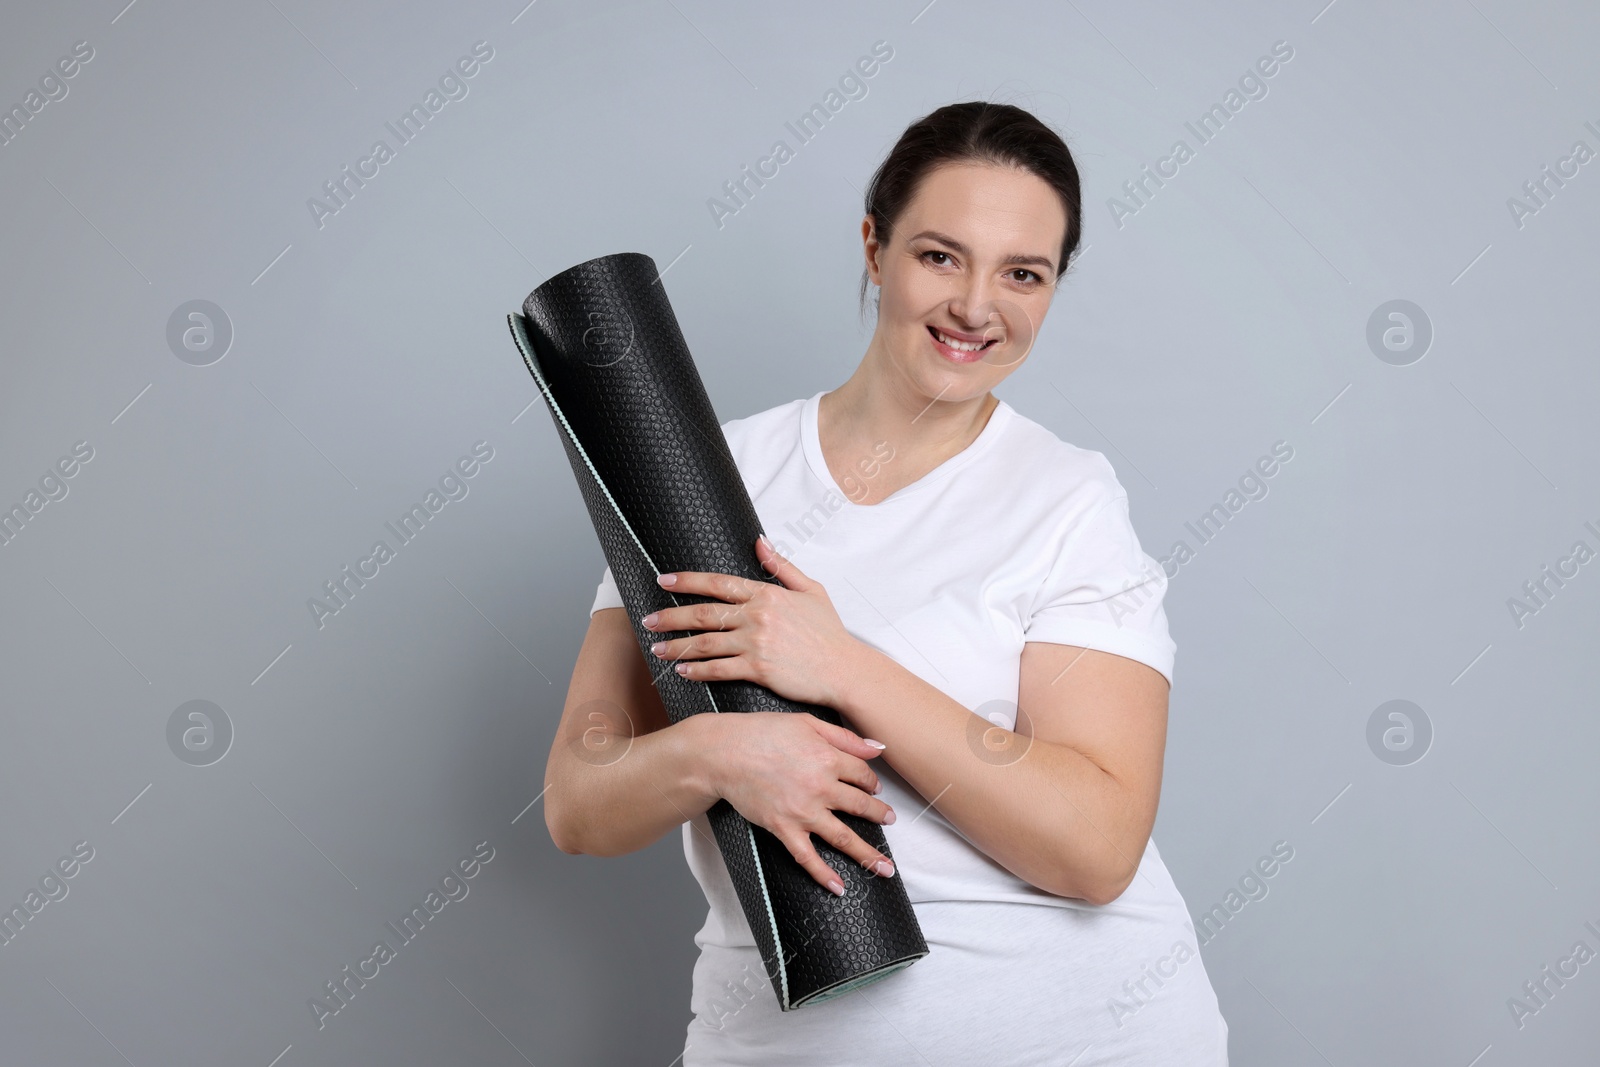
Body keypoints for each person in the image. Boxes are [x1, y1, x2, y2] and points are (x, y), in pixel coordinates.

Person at [544, 100, 1229, 1065]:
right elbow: (580, 799)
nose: (976, 306)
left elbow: (1097, 845)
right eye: (940, 256)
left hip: (1078, 1038)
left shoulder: (1067, 500)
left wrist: (841, 663)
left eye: (1023, 273)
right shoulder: (694, 478)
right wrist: (718, 753)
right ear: (875, 247)